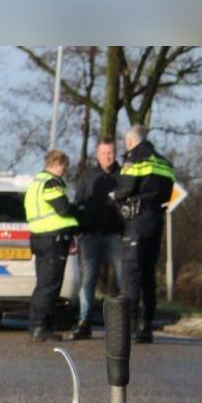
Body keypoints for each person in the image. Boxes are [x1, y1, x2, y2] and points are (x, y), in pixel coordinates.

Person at [111, 126, 176, 343]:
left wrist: (113, 196)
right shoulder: (165, 163)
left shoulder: (135, 160)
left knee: (131, 272)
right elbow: (168, 193)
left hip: (137, 221)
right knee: (148, 274)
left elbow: (126, 189)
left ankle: (130, 326)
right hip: (156, 220)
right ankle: (146, 326)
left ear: (130, 142)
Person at [67, 141, 125, 339]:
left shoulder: (124, 175)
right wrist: (80, 227)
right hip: (90, 235)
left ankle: (127, 322)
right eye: (104, 153)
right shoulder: (88, 176)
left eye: (110, 153)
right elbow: (78, 203)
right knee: (88, 281)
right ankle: (84, 322)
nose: (107, 156)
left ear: (115, 154)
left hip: (115, 235)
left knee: (124, 278)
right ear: (97, 154)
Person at [22, 150, 82, 342]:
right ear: (58, 164)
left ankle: (36, 325)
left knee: (42, 284)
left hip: (39, 237)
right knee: (50, 285)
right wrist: (78, 210)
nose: (65, 171)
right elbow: (63, 208)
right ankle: (42, 327)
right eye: (64, 167)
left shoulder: (35, 183)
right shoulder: (51, 182)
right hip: (53, 239)